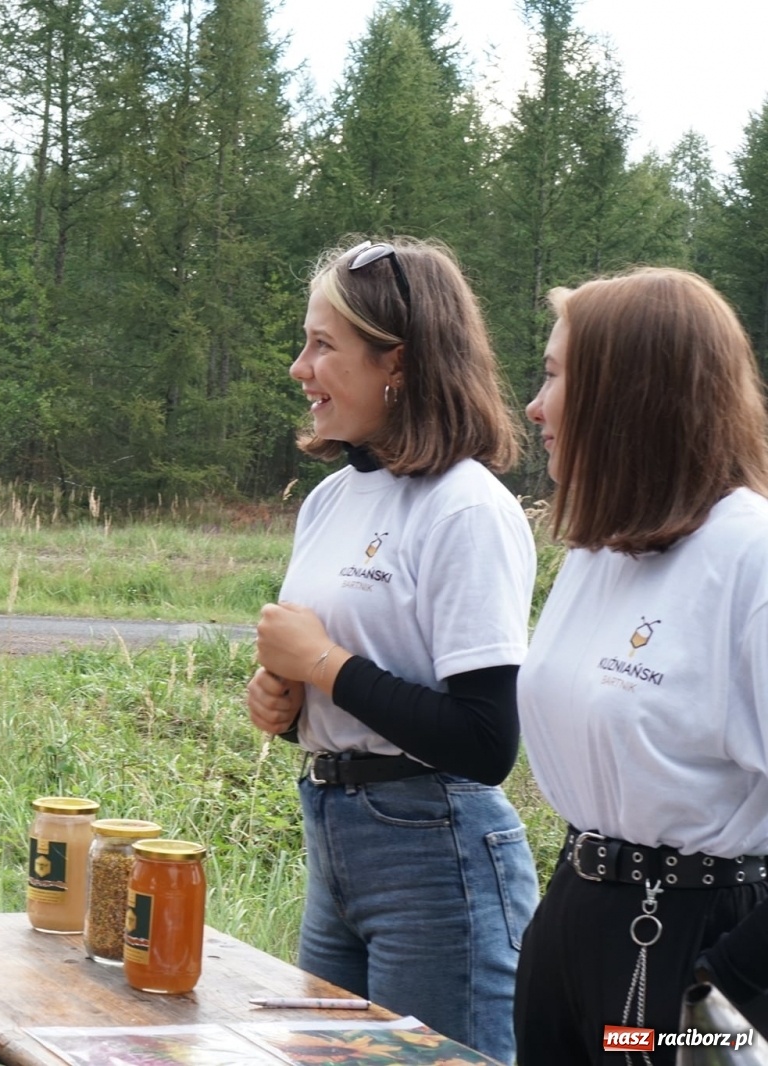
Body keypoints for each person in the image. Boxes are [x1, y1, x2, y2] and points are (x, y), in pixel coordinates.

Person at [246, 237, 538, 1062]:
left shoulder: (465, 509)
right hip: (334, 832)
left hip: (435, 855)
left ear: (397, 364)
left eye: (323, 345)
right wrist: (283, 700)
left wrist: (326, 667)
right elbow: (328, 668)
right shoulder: (331, 500)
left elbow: (486, 743)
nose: (300, 369)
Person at [515, 268, 768, 1063]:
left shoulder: (751, 555)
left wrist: (720, 985)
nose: (534, 406)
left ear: (629, 396)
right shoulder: (604, 546)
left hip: (682, 953)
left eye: (555, 376)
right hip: (572, 926)